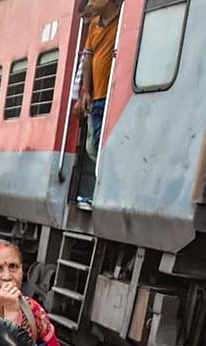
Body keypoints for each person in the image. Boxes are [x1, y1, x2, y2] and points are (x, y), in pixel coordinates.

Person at [75, 0, 121, 209]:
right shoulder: (94, 24)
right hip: (98, 96)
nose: (92, 2)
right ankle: (101, 192)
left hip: (115, 97)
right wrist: (85, 90)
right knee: (94, 147)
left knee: (105, 148)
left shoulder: (124, 19)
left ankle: (101, 194)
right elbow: (88, 58)